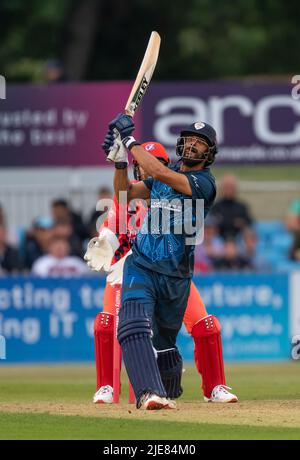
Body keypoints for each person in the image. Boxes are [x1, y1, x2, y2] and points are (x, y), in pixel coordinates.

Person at [96, 115, 237, 410]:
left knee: (165, 350)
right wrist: (120, 162)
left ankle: (169, 388)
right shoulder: (162, 177)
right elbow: (124, 194)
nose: (193, 146)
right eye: (190, 140)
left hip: (176, 276)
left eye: (201, 144)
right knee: (132, 325)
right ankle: (148, 393)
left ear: (209, 154)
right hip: (142, 264)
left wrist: (129, 141)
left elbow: (158, 171)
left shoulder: (203, 183)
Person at [211, 174, 253, 239]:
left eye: (231, 187)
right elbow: (212, 223)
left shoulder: (242, 206)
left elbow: (249, 222)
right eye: (226, 187)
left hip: (239, 240)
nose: (229, 190)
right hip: (219, 240)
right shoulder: (216, 207)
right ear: (221, 188)